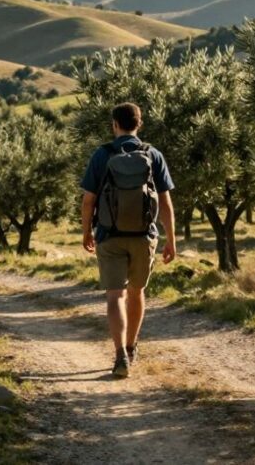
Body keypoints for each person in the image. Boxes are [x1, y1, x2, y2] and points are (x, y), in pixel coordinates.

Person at [80, 102, 176, 378]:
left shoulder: (102, 155)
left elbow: (89, 201)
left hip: (109, 236)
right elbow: (166, 203)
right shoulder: (153, 154)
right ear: (139, 124)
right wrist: (171, 239)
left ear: (114, 124)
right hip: (144, 236)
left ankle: (120, 354)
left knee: (115, 296)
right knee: (136, 292)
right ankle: (132, 348)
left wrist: (87, 231)